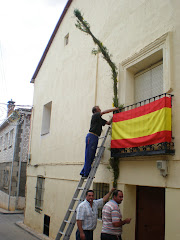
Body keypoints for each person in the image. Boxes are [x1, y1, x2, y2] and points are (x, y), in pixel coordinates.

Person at [80, 106, 119, 177]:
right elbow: (104, 112)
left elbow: (108, 123)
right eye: (98, 108)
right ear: (95, 111)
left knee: (91, 155)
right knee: (89, 155)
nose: (100, 109)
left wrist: (114, 115)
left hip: (95, 137)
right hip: (91, 136)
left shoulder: (99, 119)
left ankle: (83, 172)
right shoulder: (95, 116)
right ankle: (86, 173)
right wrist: (114, 109)